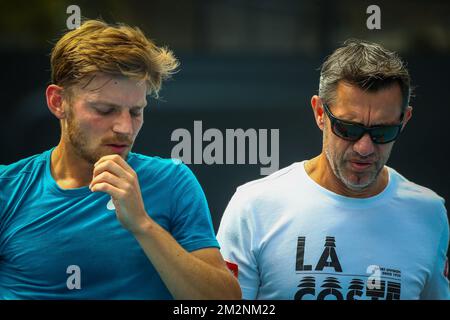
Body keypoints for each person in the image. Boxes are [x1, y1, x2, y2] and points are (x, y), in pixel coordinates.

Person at [0, 19, 241, 300]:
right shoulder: (7, 189)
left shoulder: (173, 182)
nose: (124, 128)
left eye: (136, 112)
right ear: (57, 102)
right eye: (105, 110)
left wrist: (142, 224)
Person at [217, 39, 450, 300]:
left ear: (404, 121)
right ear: (319, 112)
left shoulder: (428, 214)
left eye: (383, 132)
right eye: (348, 128)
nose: (364, 147)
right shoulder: (255, 207)